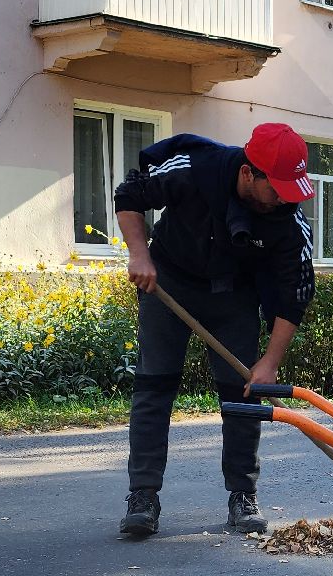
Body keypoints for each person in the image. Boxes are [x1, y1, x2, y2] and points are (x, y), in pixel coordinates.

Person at [110, 123, 318, 539]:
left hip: (233, 295)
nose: (284, 198)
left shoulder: (289, 222)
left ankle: (243, 495)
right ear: (248, 174)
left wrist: (270, 363)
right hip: (168, 281)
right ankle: (143, 496)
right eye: (276, 187)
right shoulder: (193, 167)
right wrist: (139, 254)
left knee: (245, 395)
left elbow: (295, 293)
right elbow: (129, 194)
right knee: (154, 386)